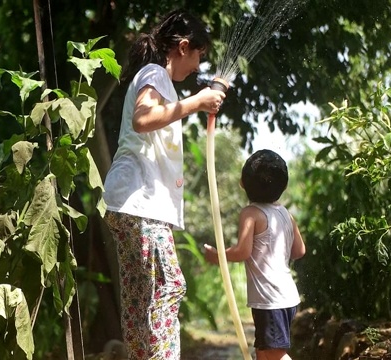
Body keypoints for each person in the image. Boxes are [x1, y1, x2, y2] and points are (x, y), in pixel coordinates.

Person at [102, 8, 226, 360]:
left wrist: (197, 103)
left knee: (142, 301)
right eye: (199, 56)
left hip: (130, 203)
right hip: (140, 203)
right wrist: (195, 103)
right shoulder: (155, 73)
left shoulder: (159, 81)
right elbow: (143, 119)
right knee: (169, 287)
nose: (198, 66)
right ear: (184, 47)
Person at [203, 149, 306, 360]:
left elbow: (242, 251)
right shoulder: (286, 214)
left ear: (242, 182)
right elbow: (299, 251)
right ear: (284, 186)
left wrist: (218, 256)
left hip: (270, 300)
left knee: (273, 356)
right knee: (264, 353)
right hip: (286, 297)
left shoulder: (251, 213)